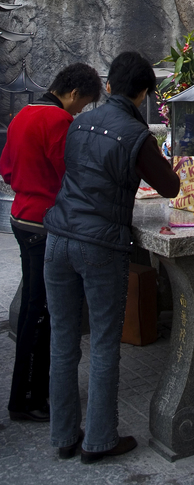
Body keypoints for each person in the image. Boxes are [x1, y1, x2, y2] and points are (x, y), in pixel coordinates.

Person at [44, 51, 180, 464]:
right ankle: (99, 440)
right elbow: (171, 186)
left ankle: (64, 436)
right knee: (104, 344)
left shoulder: (79, 121)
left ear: (107, 86)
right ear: (143, 94)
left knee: (63, 343)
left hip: (58, 238)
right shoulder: (135, 134)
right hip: (99, 246)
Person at [0, 62, 102, 423]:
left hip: (20, 216)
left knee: (32, 307)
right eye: (84, 103)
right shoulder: (59, 122)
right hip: (44, 224)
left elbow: (7, 170)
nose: (81, 111)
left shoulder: (22, 115)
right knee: (42, 313)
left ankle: (27, 393)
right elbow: (71, 176)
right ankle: (28, 398)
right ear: (74, 94)